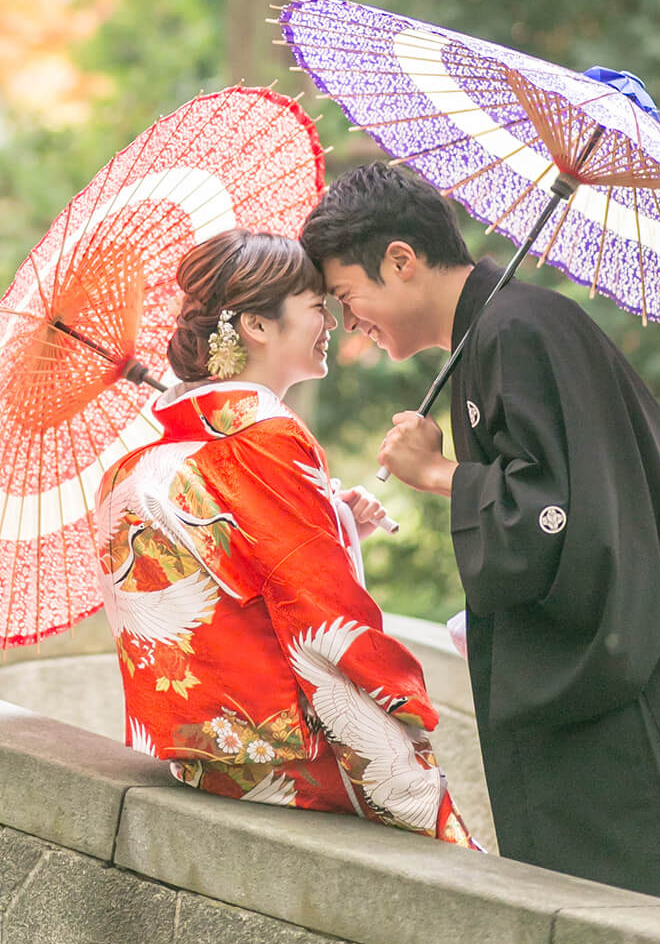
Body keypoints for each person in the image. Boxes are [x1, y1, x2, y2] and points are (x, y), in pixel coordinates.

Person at [300, 163, 660, 905]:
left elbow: (562, 515)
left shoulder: (518, 329)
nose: (346, 320)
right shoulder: (496, 332)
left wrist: (438, 474)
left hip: (649, 647)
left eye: (344, 296)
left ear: (401, 259)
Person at [95, 227, 477, 846]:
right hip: (298, 772)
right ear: (257, 326)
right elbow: (323, 622)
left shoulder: (140, 462)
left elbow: (238, 574)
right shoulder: (267, 440)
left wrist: (334, 518)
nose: (333, 321)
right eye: (314, 306)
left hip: (209, 767)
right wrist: (406, 768)